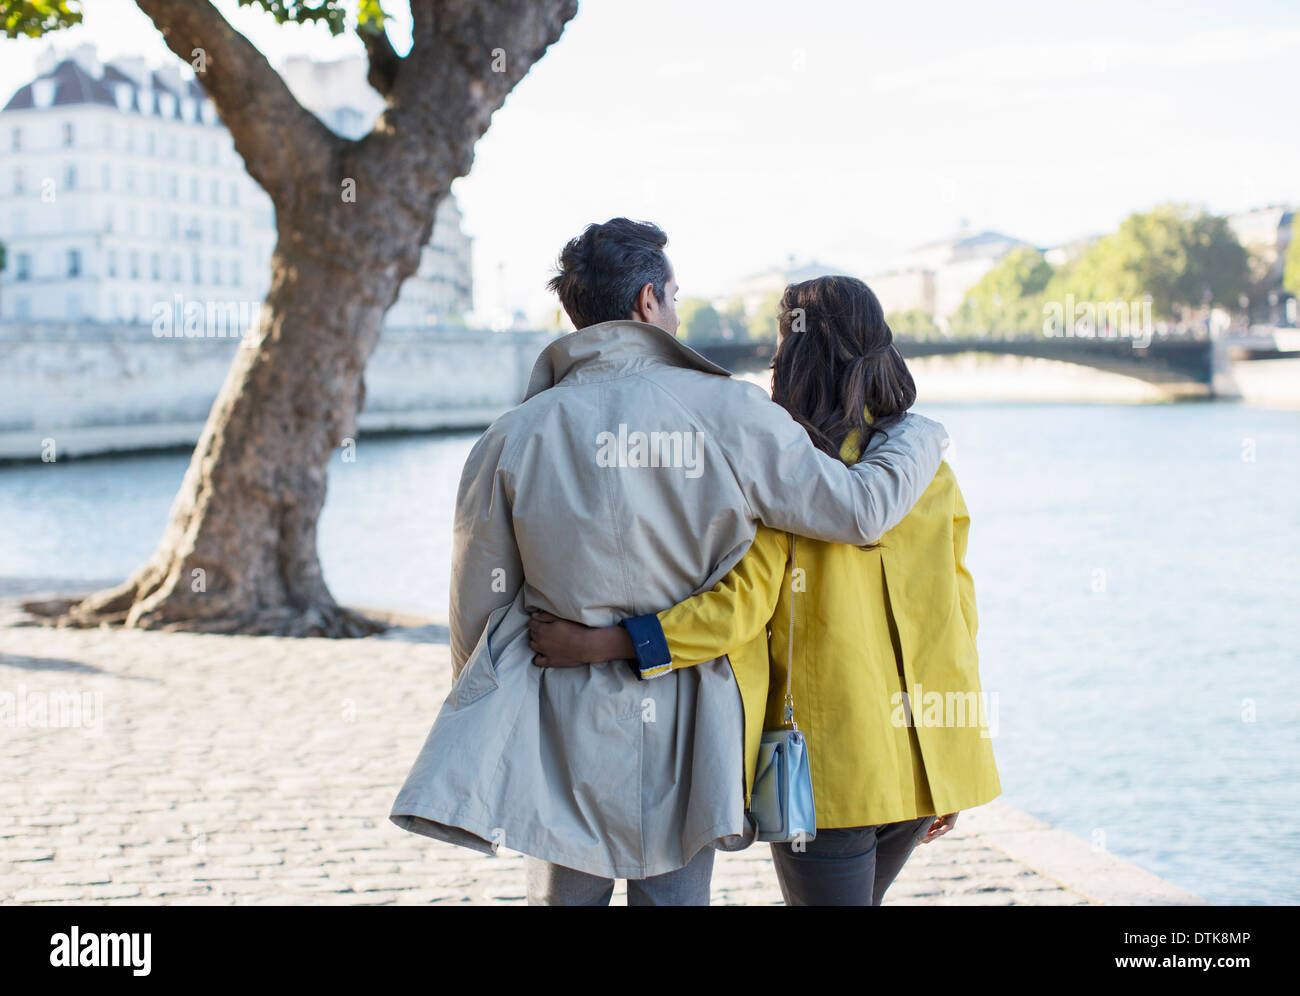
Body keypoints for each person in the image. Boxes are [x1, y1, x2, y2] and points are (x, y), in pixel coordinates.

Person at [390, 220, 950, 906]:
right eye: (675, 297)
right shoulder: (733, 411)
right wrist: (919, 434)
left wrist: (482, 719)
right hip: (690, 726)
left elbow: (476, 606)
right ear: (649, 300)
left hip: (558, 713)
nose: (678, 314)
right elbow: (857, 511)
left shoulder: (512, 436)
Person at [529, 275, 1001, 906]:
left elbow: (738, 609)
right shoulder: (930, 475)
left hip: (824, 778)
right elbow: (959, 619)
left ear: (796, 357)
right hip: (922, 769)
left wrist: (610, 642)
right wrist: (947, 765)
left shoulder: (785, 474)